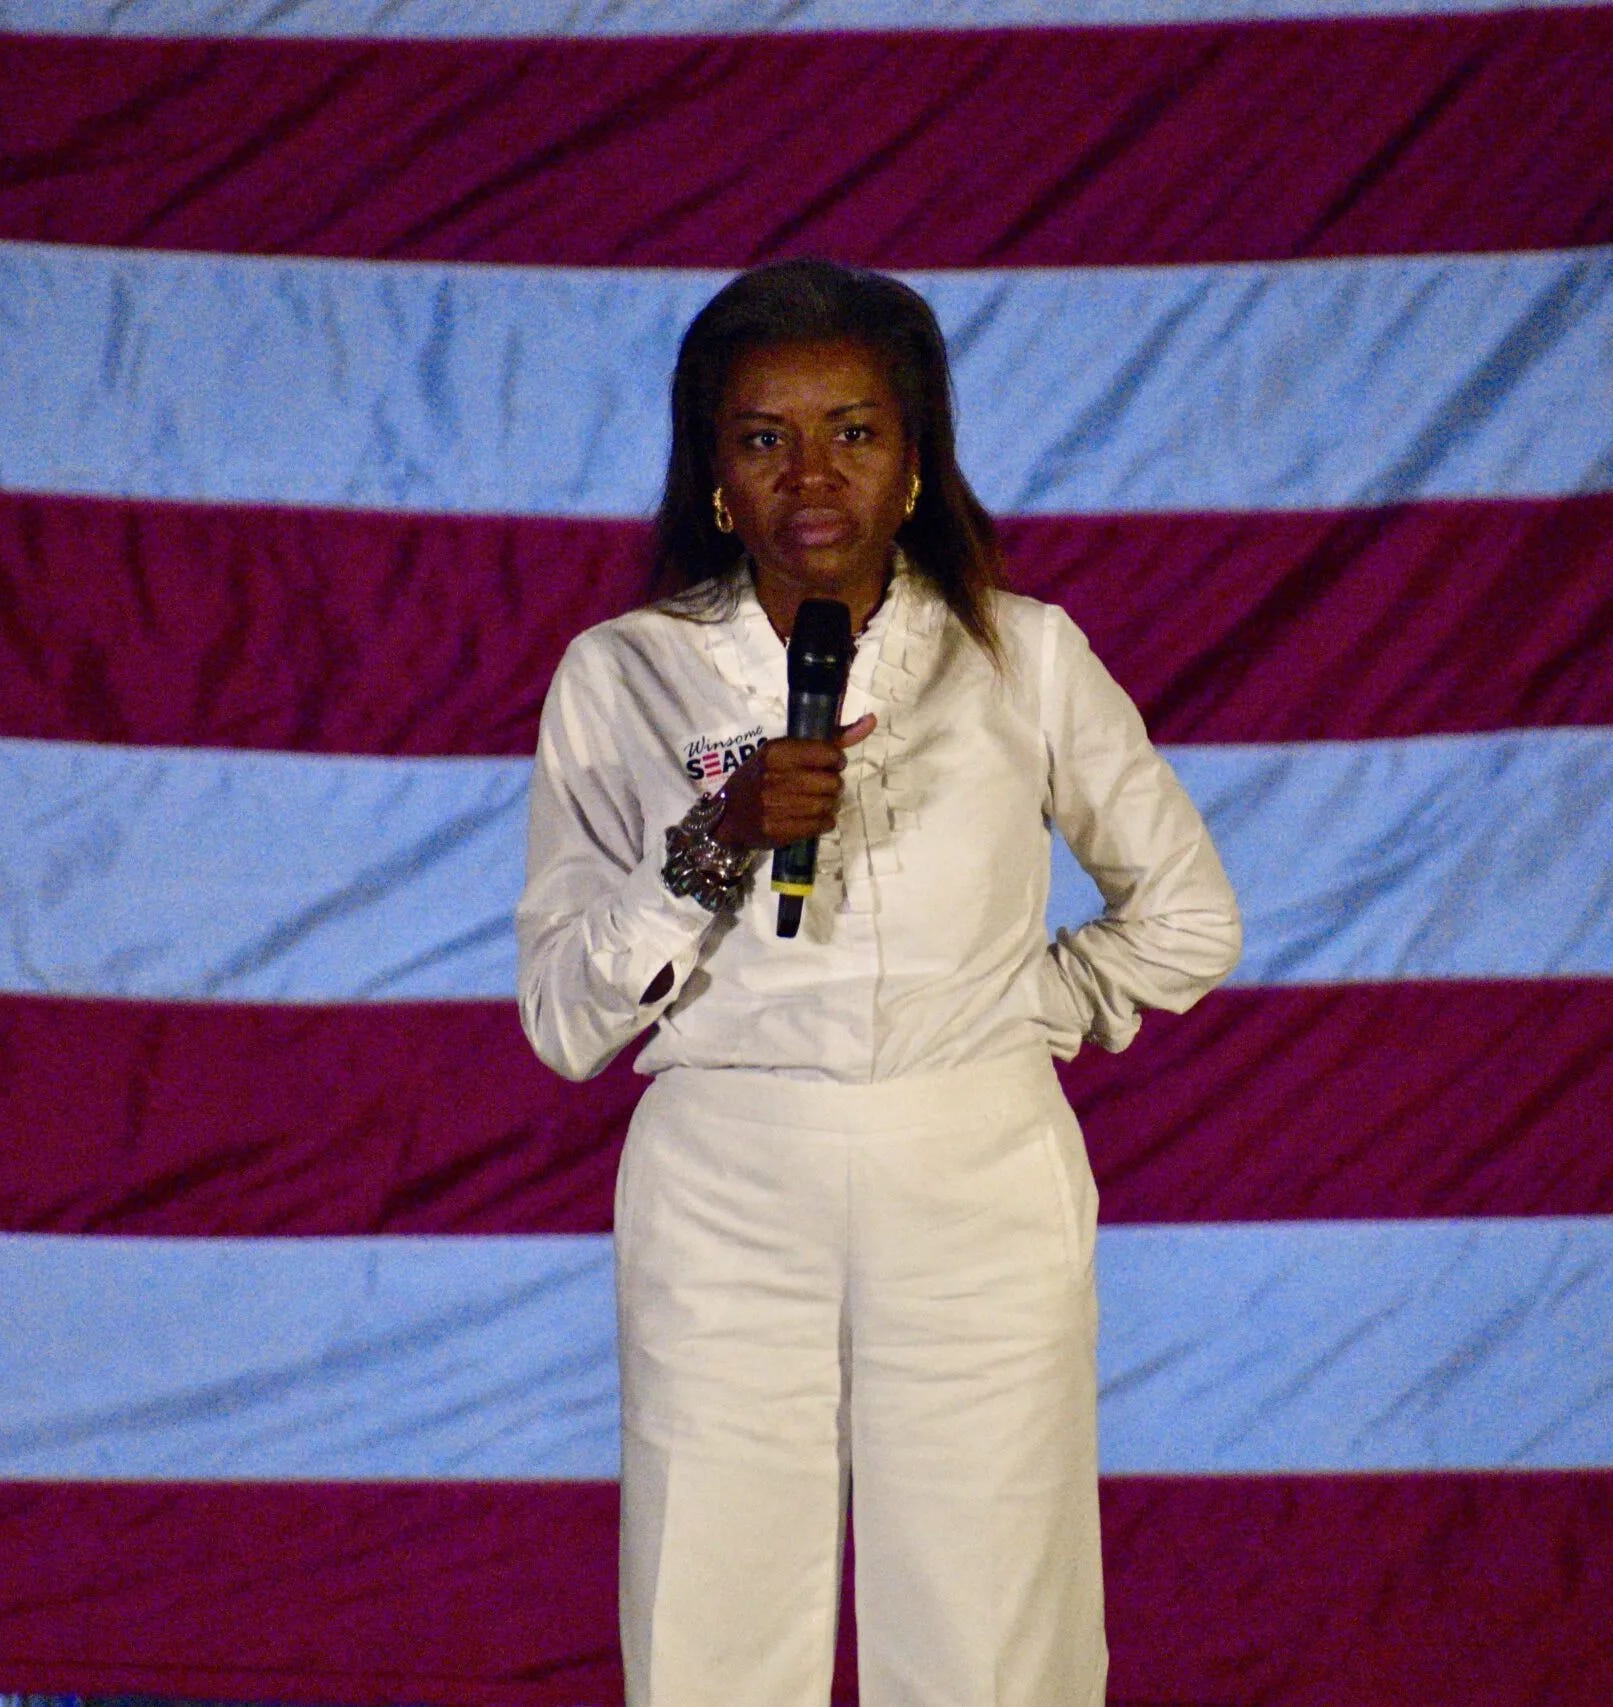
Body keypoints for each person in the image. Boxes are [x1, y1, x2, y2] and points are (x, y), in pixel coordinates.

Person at [515, 259, 1241, 1707]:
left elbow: (1187, 919)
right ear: (715, 475)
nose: (812, 475)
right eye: (763, 437)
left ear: (915, 461)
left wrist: (1009, 1016)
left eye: (853, 430)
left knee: (993, 1628)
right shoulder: (622, 675)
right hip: (725, 1177)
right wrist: (712, 845)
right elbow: (564, 1021)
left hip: (978, 1169)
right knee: (710, 1619)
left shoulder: (1023, 655)